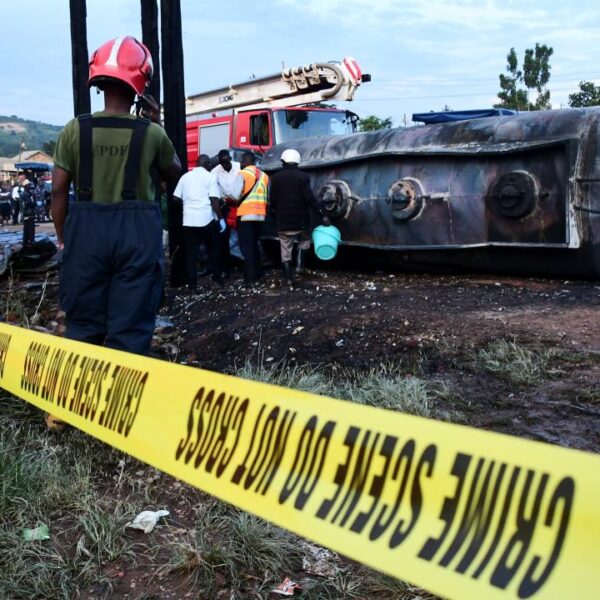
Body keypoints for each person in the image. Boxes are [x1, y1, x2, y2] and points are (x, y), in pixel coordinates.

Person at [51, 35, 181, 355]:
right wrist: (156, 121)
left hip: (86, 235)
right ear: (142, 82)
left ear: (100, 81)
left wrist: (63, 235)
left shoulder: (74, 129)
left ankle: (82, 398)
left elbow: (57, 190)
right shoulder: (152, 132)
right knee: (132, 327)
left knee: (83, 326)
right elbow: (175, 172)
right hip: (137, 238)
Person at [269, 148, 328, 286]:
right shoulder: (303, 177)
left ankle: (288, 278)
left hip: (282, 221)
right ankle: (300, 266)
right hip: (301, 221)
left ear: (283, 161)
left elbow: (273, 200)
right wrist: (322, 214)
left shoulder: (275, 178)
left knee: (285, 248)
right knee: (304, 240)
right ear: (297, 161)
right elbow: (310, 199)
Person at [173, 154, 225, 290]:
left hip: (189, 221)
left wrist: (188, 204)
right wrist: (221, 219)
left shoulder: (185, 177)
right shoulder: (210, 177)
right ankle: (217, 280)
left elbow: (175, 199)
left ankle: (193, 286)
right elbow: (214, 200)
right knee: (214, 250)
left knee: (191, 254)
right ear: (207, 164)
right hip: (206, 219)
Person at [232, 151, 269, 286]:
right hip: (260, 216)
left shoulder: (242, 174)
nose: (240, 163)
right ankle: (259, 274)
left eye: (241, 161)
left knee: (247, 248)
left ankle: (250, 279)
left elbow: (235, 195)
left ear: (245, 161)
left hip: (246, 215)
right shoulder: (264, 176)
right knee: (254, 245)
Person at [212, 149, 241, 268]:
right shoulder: (215, 172)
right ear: (219, 162)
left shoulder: (239, 167)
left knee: (240, 233)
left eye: (227, 162)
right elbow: (213, 189)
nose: (225, 165)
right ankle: (229, 262)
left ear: (230, 158)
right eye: (222, 163)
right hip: (225, 206)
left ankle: (240, 260)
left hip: (240, 203)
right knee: (226, 235)